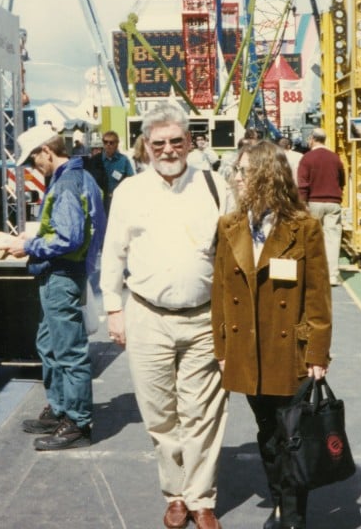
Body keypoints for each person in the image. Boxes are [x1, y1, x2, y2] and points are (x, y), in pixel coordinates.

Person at [100, 105, 230, 529]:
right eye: (159, 143)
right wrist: (113, 308)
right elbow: (113, 253)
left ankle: (200, 498)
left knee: (204, 412)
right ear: (146, 147)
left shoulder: (215, 187)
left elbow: (235, 256)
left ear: (190, 143)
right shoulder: (130, 192)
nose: (169, 150)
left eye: (176, 141)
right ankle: (175, 493)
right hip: (146, 316)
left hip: (204, 317)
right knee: (160, 414)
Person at [211, 140, 332, 529]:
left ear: (267, 175)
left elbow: (318, 296)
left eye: (244, 171)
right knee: (268, 434)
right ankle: (280, 503)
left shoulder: (304, 228)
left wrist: (317, 354)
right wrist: (222, 349)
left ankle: (293, 516)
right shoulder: (229, 226)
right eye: (236, 171)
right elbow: (218, 294)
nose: (236, 178)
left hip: (289, 353)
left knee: (291, 436)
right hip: (246, 350)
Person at [0, 123, 106, 451]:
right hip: (66, 273)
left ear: (46, 151)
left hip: (61, 275)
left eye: (32, 160)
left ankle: (77, 422)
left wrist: (28, 246)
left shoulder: (67, 183)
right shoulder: (80, 178)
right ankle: (61, 409)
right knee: (51, 344)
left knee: (67, 349)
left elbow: (68, 237)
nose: (32, 167)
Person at [297, 128, 345, 286]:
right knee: (333, 238)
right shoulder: (335, 158)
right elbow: (342, 180)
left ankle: (314, 273)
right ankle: (332, 275)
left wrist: (303, 203)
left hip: (314, 201)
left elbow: (303, 183)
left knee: (312, 237)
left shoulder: (307, 158)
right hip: (333, 202)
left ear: (311, 139)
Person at [100, 130, 134, 214]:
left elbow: (130, 181)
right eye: (105, 142)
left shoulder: (123, 160)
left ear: (117, 144)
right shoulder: (97, 160)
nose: (108, 145)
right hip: (101, 203)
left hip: (119, 201)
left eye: (111, 142)